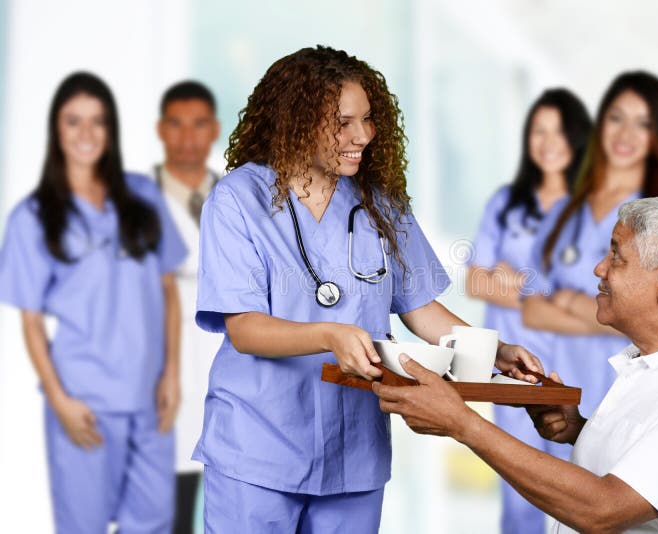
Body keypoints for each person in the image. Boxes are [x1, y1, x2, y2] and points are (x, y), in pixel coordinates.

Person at [191, 45, 543, 533]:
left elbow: (421, 310)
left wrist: (493, 352)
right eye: (343, 123)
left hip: (352, 453)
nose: (362, 136)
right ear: (296, 122)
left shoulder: (380, 204)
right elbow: (245, 328)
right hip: (258, 445)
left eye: (368, 119)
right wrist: (329, 335)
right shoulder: (238, 200)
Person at [375, 197, 658, 533]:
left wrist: (463, 424)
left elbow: (602, 510)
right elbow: (652, 466)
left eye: (616, 256)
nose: (599, 269)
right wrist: (580, 431)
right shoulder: (649, 367)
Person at [0, 72, 187, 533]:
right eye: (73, 121)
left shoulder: (142, 195)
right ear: (56, 129)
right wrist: (60, 401)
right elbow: (30, 322)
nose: (86, 133)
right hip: (84, 403)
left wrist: (172, 374)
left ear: (111, 129)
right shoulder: (33, 217)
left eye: (97, 121)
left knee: (154, 523)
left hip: (150, 400)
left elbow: (168, 290)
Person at [521, 71, 658, 423]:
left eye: (643, 124)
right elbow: (532, 310)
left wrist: (566, 300)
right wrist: (613, 315)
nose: (625, 134)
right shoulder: (564, 211)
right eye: (616, 118)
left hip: (628, 394)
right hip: (558, 389)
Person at [466, 88, 591, 534]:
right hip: (517, 369)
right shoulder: (506, 203)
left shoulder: (592, 208)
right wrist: (549, 292)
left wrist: (511, 279)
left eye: (559, 131)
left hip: (578, 363)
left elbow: (591, 298)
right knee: (519, 487)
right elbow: (475, 280)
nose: (548, 142)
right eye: (539, 131)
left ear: (578, 138)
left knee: (580, 483)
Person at [153, 80, 222, 534]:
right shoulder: (136, 200)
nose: (188, 137)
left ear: (214, 129)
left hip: (224, 357)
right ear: (161, 130)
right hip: (160, 366)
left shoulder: (235, 197)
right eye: (176, 125)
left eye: (198, 124)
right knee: (164, 509)